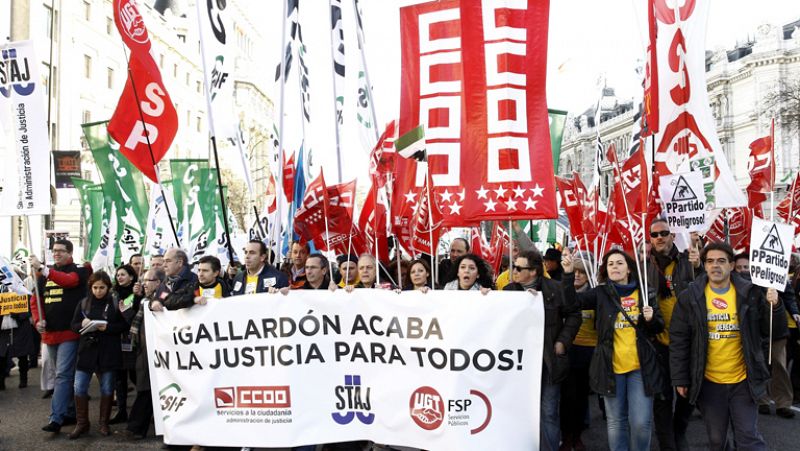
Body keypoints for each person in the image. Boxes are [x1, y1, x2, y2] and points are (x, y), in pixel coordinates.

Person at [670, 243, 783, 451]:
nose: (715, 266)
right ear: (704, 265)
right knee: (716, 440)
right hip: (709, 382)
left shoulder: (750, 293)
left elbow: (774, 331)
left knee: (749, 438)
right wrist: (680, 378)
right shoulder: (690, 296)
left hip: (743, 381)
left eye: (721, 261)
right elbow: (679, 340)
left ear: (731, 265)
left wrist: (774, 307)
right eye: (710, 261)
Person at [562, 248, 664, 451]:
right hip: (610, 367)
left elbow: (659, 327)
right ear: (606, 270)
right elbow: (572, 303)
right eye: (610, 264)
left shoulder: (645, 291)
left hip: (640, 368)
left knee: (641, 424)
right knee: (616, 422)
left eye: (619, 263)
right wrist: (567, 274)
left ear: (628, 269)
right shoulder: (601, 293)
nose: (615, 267)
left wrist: (651, 320)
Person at [504, 250, 580, 451]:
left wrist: (563, 341)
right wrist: (486, 296)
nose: (515, 271)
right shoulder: (508, 291)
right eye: (514, 266)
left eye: (520, 268)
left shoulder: (555, 289)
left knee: (548, 412)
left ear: (534, 271)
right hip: (517, 364)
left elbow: (574, 315)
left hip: (548, 362)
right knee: (520, 411)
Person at [645, 218, 701, 451]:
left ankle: (679, 431)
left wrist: (697, 267)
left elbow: (705, 289)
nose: (659, 237)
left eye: (664, 233)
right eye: (654, 234)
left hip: (685, 343)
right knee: (662, 398)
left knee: (687, 394)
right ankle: (668, 443)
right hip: (656, 342)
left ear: (672, 236)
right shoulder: (644, 266)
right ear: (650, 238)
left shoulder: (688, 261)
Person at [30, 239, 92, 433]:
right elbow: (35, 300)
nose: (56, 253)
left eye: (60, 251)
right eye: (54, 250)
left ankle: (55, 418)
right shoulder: (43, 275)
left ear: (70, 252)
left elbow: (69, 281)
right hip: (50, 334)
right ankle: (71, 413)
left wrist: (42, 268)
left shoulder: (81, 269)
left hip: (69, 333)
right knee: (64, 376)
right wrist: (38, 319)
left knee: (62, 375)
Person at [733, 253, 798, 419]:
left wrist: (795, 312)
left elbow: (789, 295)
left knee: (779, 365)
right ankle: (762, 399)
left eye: (746, 267)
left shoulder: (772, 275)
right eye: (739, 268)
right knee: (758, 364)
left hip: (776, 329)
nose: (743, 271)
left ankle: (783, 403)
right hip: (754, 332)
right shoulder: (734, 284)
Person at [68, 271, 127, 439]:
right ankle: (82, 423)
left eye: (102, 287)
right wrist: (82, 324)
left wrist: (107, 327)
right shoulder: (84, 303)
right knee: (79, 387)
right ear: (90, 287)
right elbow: (73, 325)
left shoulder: (115, 302)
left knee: (107, 388)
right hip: (87, 351)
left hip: (108, 351)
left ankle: (103, 423)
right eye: (95, 287)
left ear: (108, 287)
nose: (98, 291)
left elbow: (123, 325)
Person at [119, 268, 166, 440]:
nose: (144, 284)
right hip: (143, 349)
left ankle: (136, 428)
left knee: (146, 389)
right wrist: (126, 312)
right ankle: (136, 428)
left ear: (159, 283)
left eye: (148, 280)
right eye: (144, 280)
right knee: (145, 388)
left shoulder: (163, 298)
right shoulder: (146, 300)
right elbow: (139, 323)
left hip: (155, 350)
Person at [559, 259, 595, 451]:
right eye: (575, 271)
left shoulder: (596, 292)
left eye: (582, 272)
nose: (578, 275)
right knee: (567, 398)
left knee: (582, 399)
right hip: (567, 350)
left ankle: (577, 436)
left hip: (590, 352)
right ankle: (566, 436)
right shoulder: (561, 291)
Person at [110, 264, 140, 425]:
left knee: (136, 376)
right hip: (117, 339)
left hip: (132, 339)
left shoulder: (137, 294)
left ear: (131, 276)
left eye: (123, 274)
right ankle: (121, 411)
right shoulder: (113, 294)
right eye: (117, 275)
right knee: (119, 378)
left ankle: (142, 410)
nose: (119, 277)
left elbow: (136, 317)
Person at [0, 284, 35, 390]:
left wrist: (19, 314)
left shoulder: (22, 290)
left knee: (22, 355)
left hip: (20, 328)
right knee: (1, 356)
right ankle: (1, 381)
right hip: (3, 329)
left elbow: (30, 308)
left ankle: (23, 379)